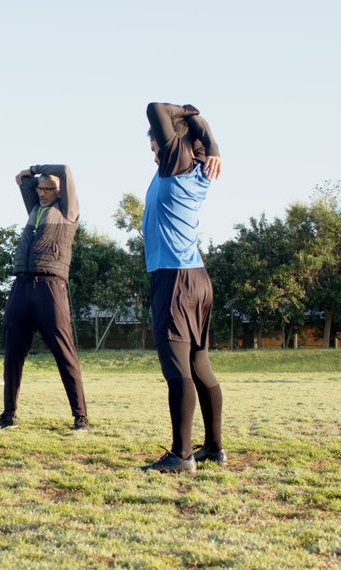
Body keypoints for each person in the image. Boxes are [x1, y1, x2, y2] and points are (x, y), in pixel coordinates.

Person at [139, 103, 225, 473]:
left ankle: (181, 455)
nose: (154, 150)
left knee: (178, 371)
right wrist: (212, 143)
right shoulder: (202, 169)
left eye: (156, 145)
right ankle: (214, 449)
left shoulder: (176, 163)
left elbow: (155, 108)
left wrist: (186, 112)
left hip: (174, 279)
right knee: (199, 367)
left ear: (176, 144)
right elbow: (201, 137)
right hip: (196, 278)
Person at [0, 164, 90, 431]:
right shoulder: (35, 209)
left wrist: (34, 168)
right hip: (21, 285)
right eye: (40, 189)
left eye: (49, 189)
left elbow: (66, 170)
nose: (43, 193)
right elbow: (23, 182)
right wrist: (27, 179)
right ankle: (9, 415)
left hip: (50, 287)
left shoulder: (68, 210)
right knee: (12, 354)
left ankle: (81, 418)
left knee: (64, 353)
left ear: (60, 192)